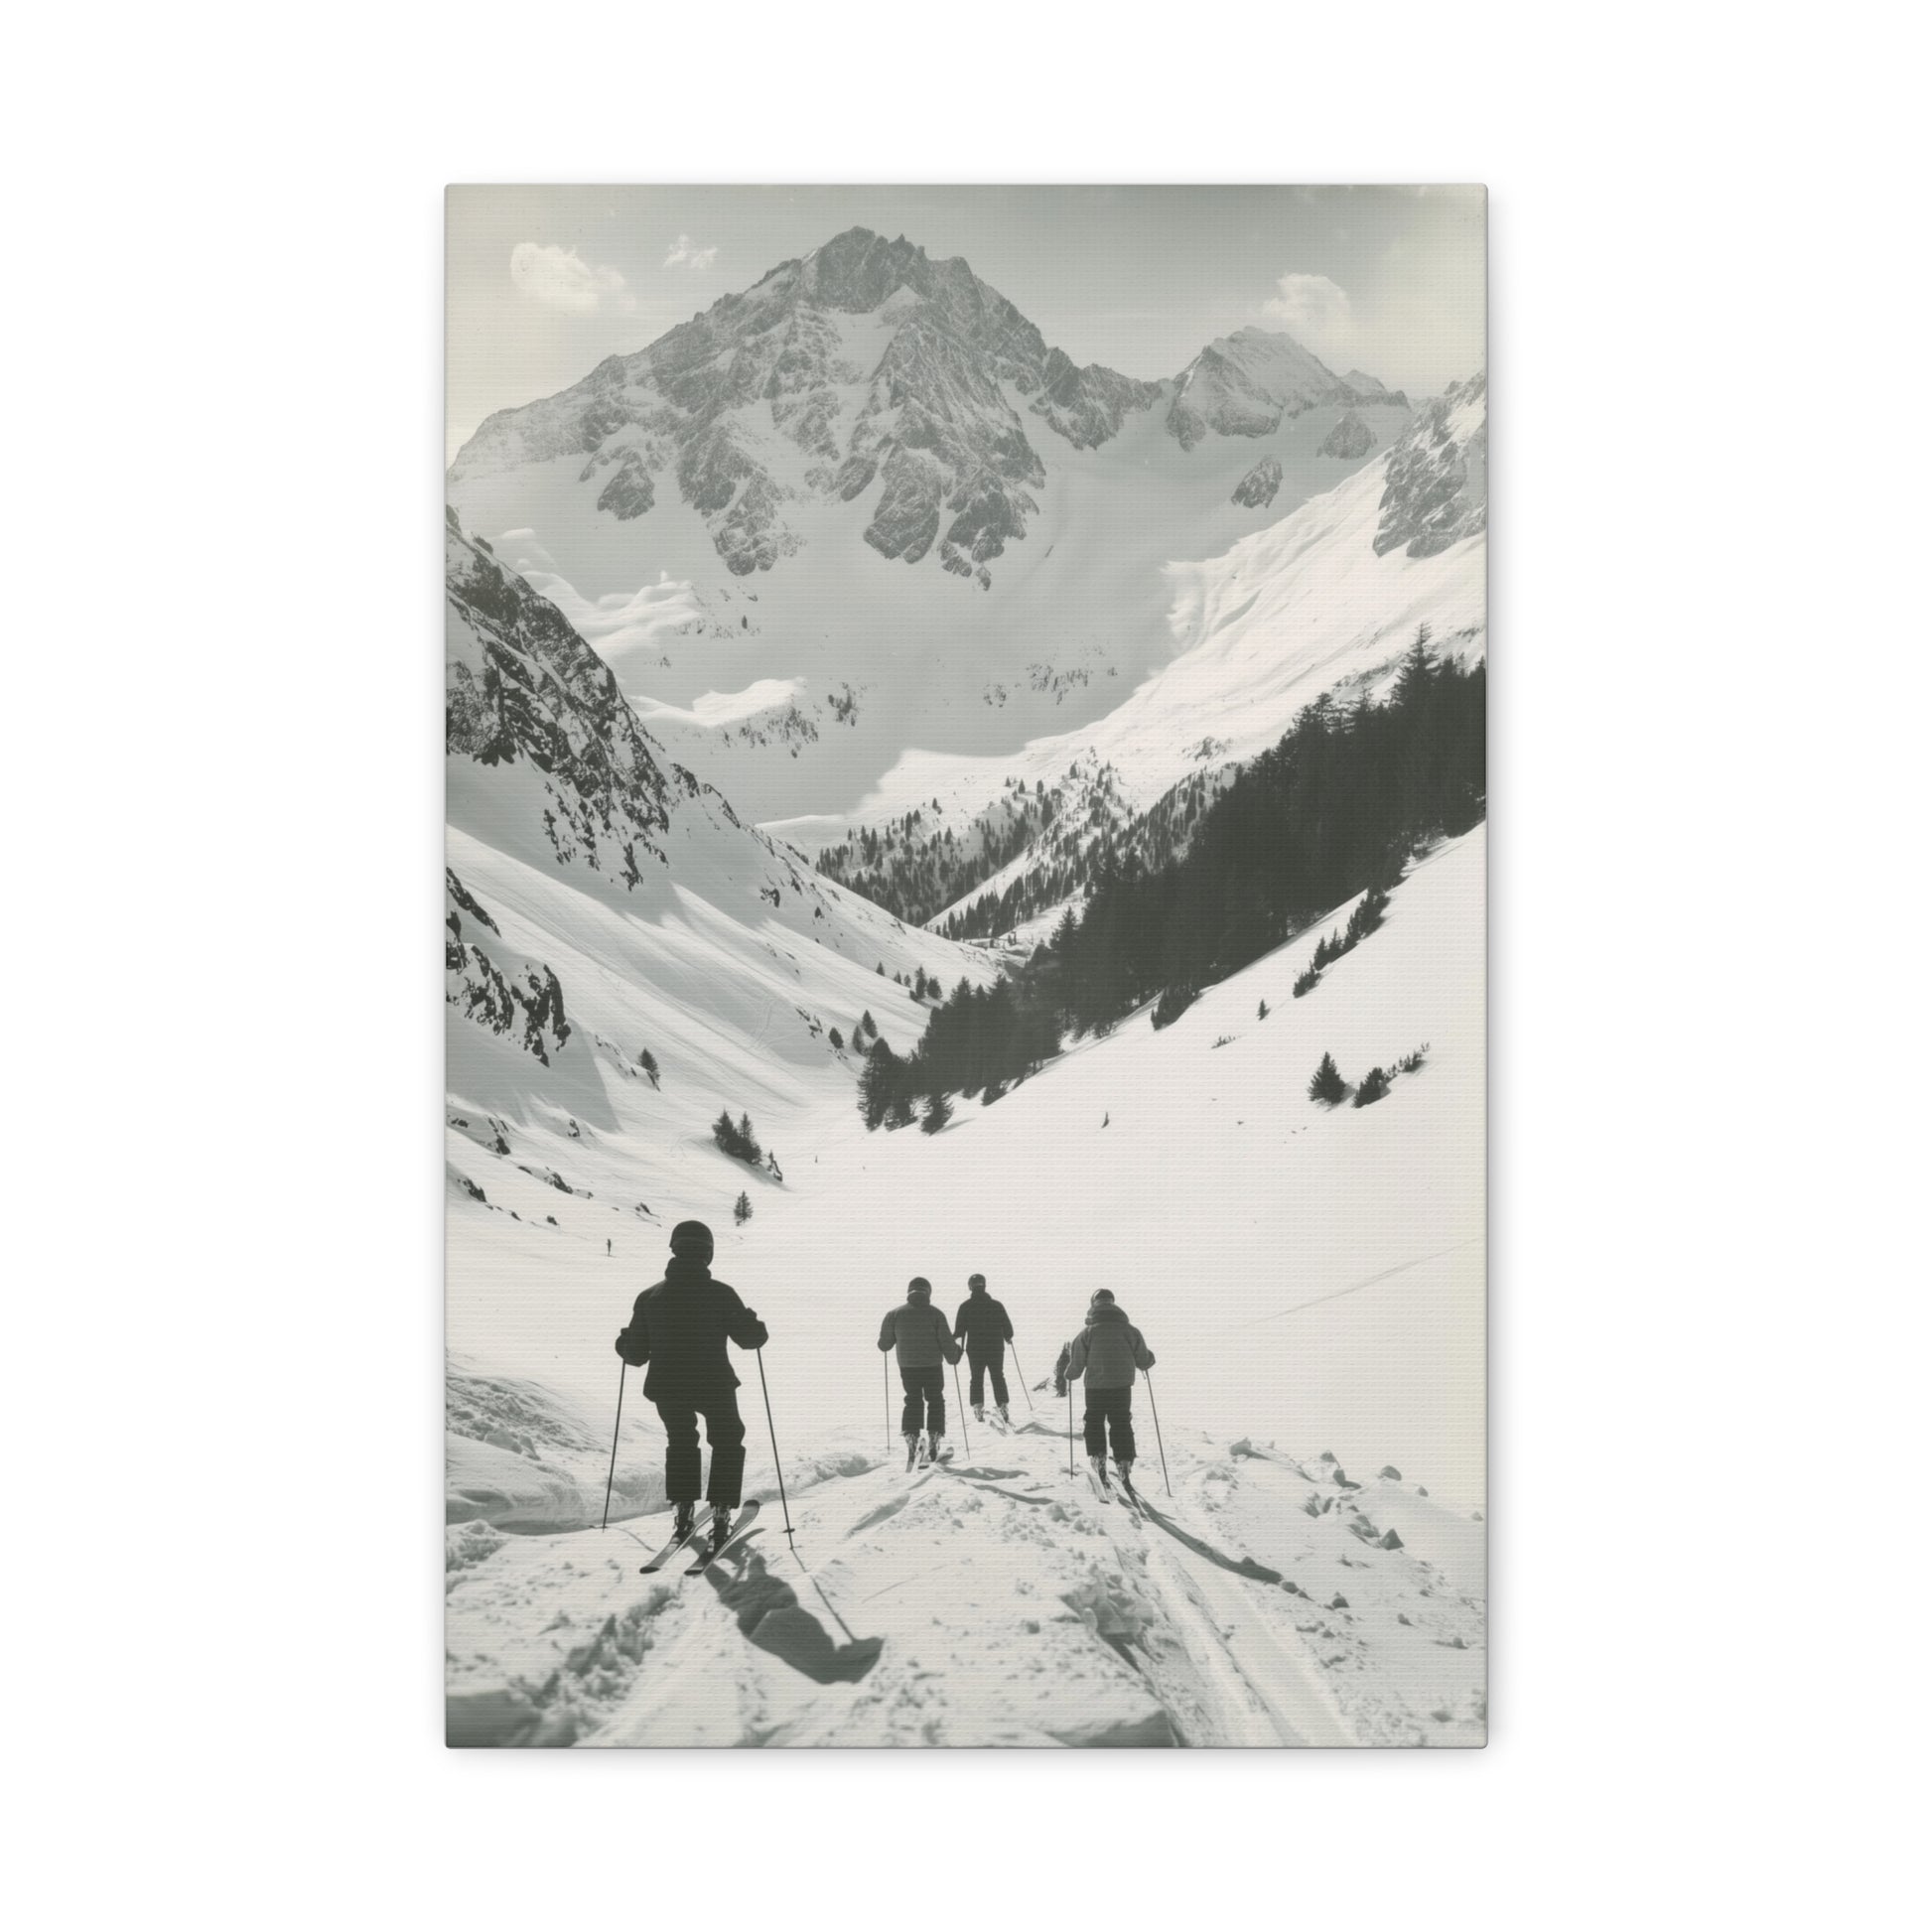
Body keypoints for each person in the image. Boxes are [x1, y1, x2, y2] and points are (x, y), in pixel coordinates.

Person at [615, 1219, 767, 1554]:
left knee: (681, 1440)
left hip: (666, 1385)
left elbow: (635, 1355)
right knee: (727, 1439)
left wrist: (623, 1343)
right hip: (714, 1382)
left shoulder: (649, 1297)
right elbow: (751, 1340)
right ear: (707, 1253)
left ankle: (683, 1511)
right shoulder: (722, 1293)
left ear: (675, 1249)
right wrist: (754, 1324)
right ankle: (721, 1511)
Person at [1053, 1289, 1155, 1490]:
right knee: (1121, 1422)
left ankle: (1098, 1456)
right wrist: (1149, 1359)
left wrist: (1069, 1375)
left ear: (1094, 1305)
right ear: (1113, 1303)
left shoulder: (1087, 1333)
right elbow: (1144, 1360)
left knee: (1094, 1420)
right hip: (1122, 1387)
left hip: (1095, 1387)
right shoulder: (1130, 1330)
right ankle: (1124, 1461)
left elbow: (1076, 1363)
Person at [878, 1277, 963, 1466]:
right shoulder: (936, 1314)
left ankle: (911, 1437)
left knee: (913, 1399)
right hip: (932, 1366)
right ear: (928, 1292)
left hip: (907, 1366)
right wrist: (955, 1355)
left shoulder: (894, 1314)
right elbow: (946, 1342)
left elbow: (884, 1345)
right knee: (935, 1399)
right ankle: (934, 1437)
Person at [953, 1272, 1015, 1424]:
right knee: (998, 1376)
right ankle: (1003, 1405)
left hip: (975, 1350)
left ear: (970, 1287)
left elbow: (959, 1332)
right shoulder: (997, 1305)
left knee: (976, 1378)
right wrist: (1007, 1337)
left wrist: (954, 1348)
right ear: (984, 1286)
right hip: (995, 1348)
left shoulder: (965, 1307)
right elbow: (1008, 1329)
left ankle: (978, 1407)